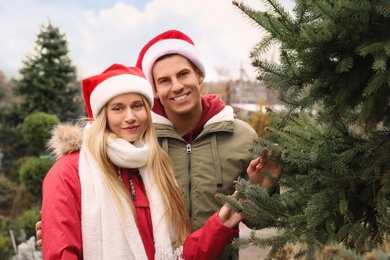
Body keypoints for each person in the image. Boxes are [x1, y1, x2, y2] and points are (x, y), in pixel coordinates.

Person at [40, 63, 244, 259]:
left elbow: (177, 254)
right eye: (118, 108)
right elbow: (61, 252)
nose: (130, 117)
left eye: (137, 106)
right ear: (103, 115)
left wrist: (221, 224)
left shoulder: (155, 166)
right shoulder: (70, 171)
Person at [134, 29, 284, 259]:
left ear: (199, 75)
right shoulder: (141, 141)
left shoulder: (242, 136)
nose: (176, 86)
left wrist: (261, 191)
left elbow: (261, 223)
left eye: (183, 74)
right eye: (164, 80)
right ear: (154, 89)